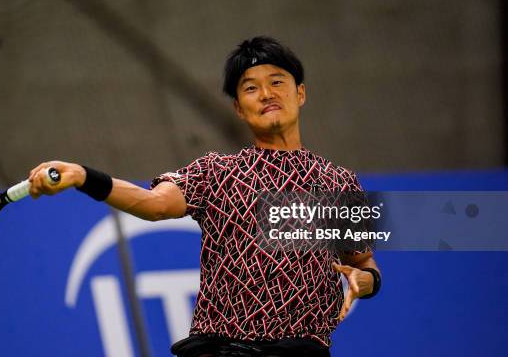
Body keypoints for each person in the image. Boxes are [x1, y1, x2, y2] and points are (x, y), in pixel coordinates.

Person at [28, 36, 381, 357]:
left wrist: (364, 282)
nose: (267, 94)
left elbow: (363, 263)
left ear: (300, 93)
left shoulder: (339, 182)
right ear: (240, 109)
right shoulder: (217, 172)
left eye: (277, 82)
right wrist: (83, 176)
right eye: (251, 88)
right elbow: (154, 205)